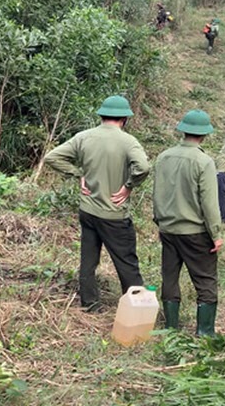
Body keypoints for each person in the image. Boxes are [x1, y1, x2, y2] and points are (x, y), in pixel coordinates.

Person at [44, 95, 151, 312]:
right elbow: (143, 167)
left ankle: (90, 305)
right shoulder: (128, 141)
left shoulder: (83, 137)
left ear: (102, 115)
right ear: (124, 119)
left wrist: (77, 174)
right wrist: (129, 185)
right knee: (127, 263)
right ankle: (136, 311)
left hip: (88, 211)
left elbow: (52, 157)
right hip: (114, 215)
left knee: (88, 261)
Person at [152, 109, 223, 335]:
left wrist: (160, 221)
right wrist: (216, 234)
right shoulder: (204, 161)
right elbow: (210, 203)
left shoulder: (163, 157)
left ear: (183, 131)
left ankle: (171, 328)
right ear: (204, 135)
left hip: (168, 229)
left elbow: (157, 194)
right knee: (205, 280)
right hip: (195, 232)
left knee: (170, 277)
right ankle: (205, 332)